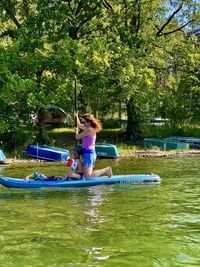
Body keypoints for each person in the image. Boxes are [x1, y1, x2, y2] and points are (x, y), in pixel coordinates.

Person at [74, 112, 113, 179]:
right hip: (88, 153)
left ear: (89, 122)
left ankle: (106, 170)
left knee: (88, 176)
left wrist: (76, 130)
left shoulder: (89, 130)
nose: (83, 124)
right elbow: (79, 125)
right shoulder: (89, 128)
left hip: (89, 153)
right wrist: (76, 116)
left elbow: (77, 137)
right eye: (83, 122)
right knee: (86, 175)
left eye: (84, 122)